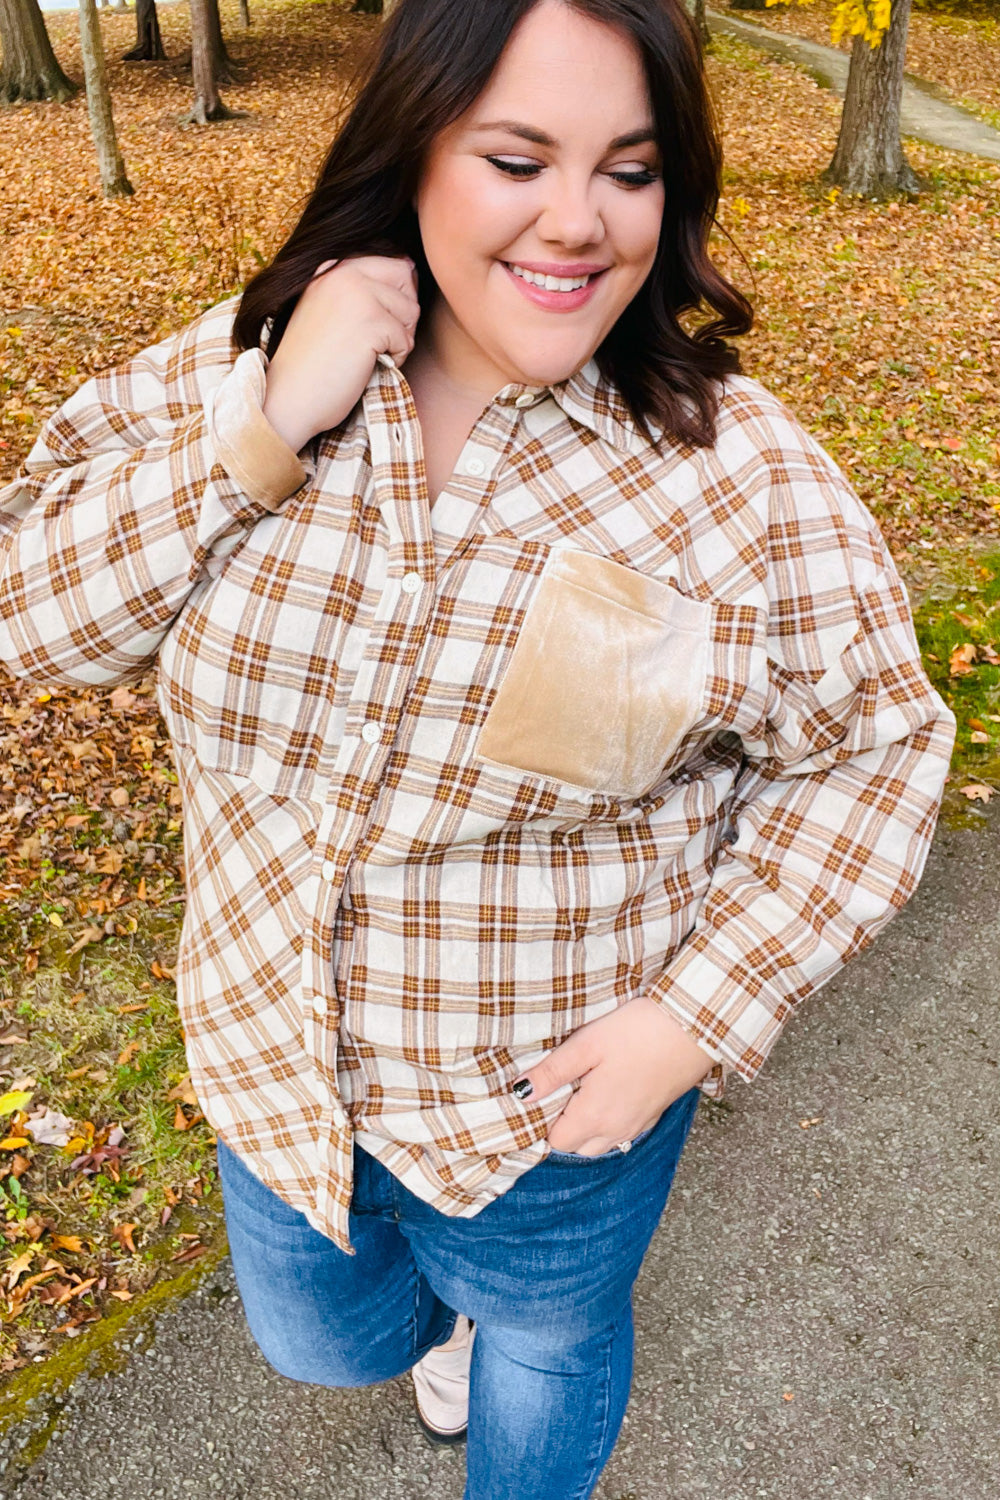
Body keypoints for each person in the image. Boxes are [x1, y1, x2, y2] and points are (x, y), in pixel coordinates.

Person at [0, 0, 955, 1495]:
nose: (578, 222)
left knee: (552, 1346)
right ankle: (431, 1333)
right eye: (517, 157)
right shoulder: (238, 365)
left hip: (554, 1132)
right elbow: (31, 626)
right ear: (416, 151)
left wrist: (695, 1020)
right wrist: (261, 433)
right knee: (333, 1346)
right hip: (272, 1075)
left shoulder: (735, 475)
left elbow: (877, 748)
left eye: (630, 170)